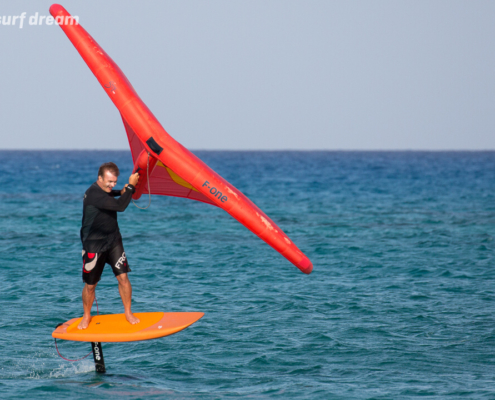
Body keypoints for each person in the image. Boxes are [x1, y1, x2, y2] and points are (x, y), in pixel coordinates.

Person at [79, 162, 140, 330]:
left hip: (113, 241)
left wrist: (121, 191)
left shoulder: (103, 191)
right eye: (109, 181)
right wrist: (130, 188)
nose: (112, 185)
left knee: (123, 277)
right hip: (93, 245)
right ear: (99, 178)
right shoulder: (92, 194)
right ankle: (86, 316)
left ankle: (128, 312)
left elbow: (110, 194)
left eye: (115, 182)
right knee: (90, 286)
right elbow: (120, 206)